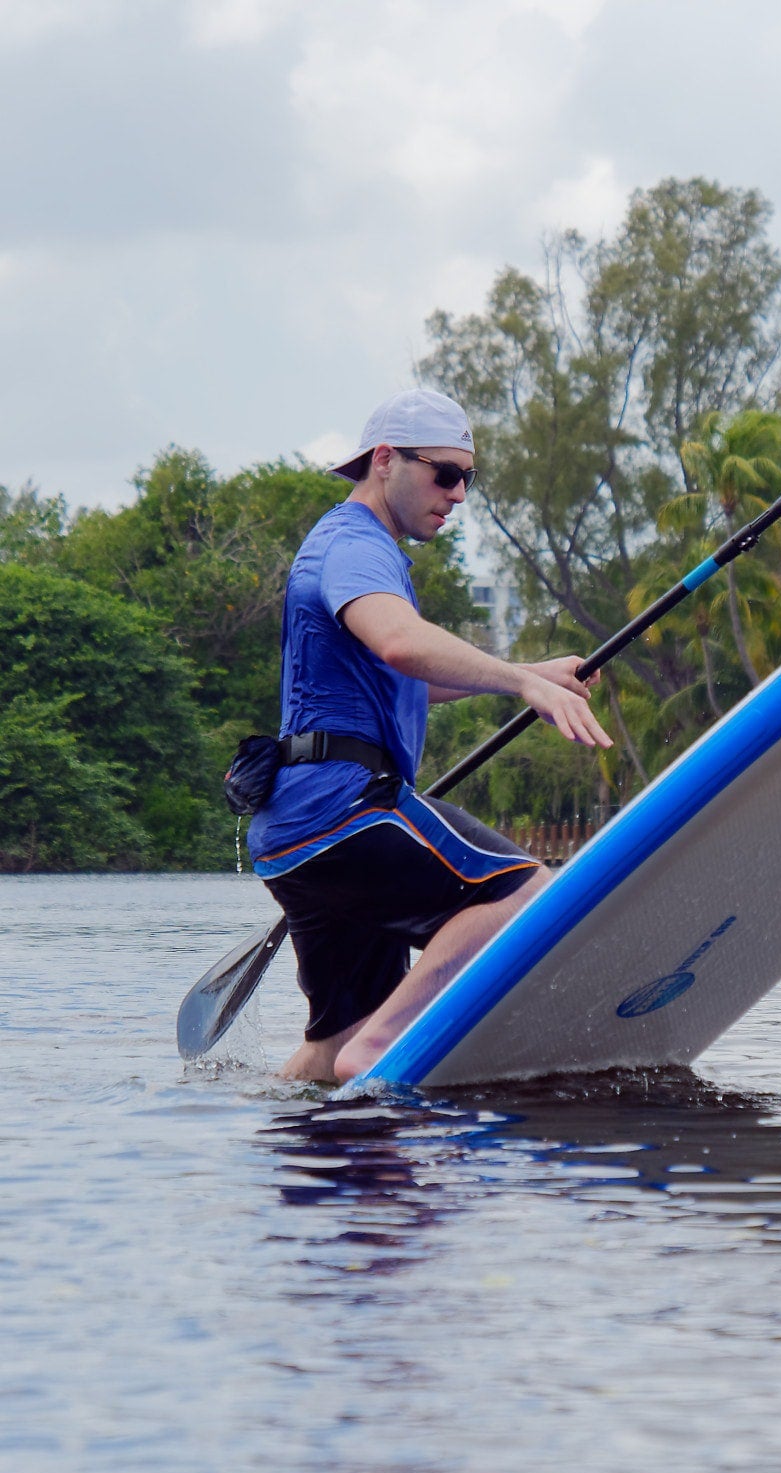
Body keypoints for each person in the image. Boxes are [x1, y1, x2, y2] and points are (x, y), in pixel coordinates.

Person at [246, 387, 611, 1084]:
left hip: (295, 835)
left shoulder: (344, 547)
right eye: (445, 473)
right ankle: (385, 1047)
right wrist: (520, 684)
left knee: (332, 1047)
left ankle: (301, 1140)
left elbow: (404, 675)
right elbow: (400, 644)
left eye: (468, 477)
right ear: (384, 460)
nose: (460, 493)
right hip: (344, 812)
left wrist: (529, 671)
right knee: (525, 896)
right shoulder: (355, 545)